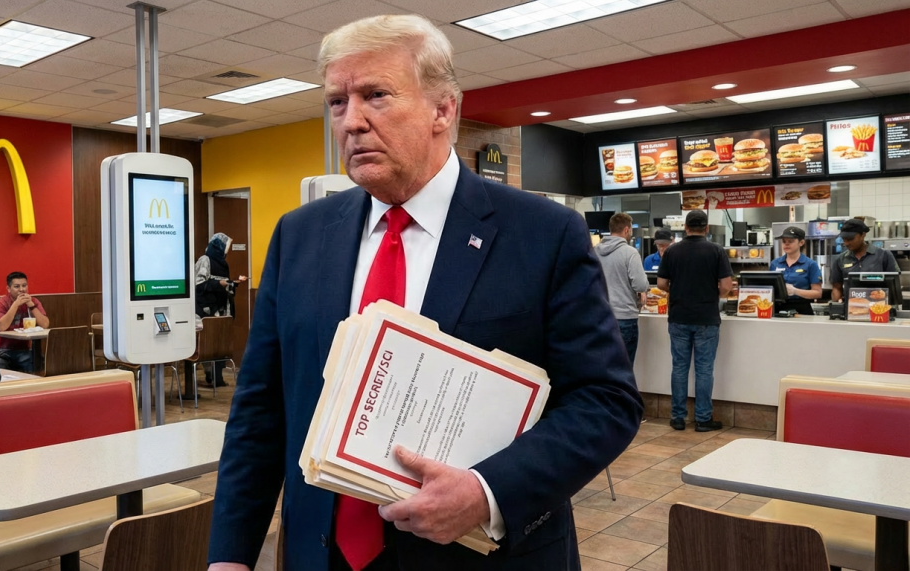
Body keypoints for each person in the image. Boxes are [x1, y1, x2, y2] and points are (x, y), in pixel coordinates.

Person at [208, 15, 642, 571]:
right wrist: (230, 556)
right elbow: (261, 410)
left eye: (376, 96)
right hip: (322, 552)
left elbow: (604, 401)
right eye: (337, 102)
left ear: (444, 110)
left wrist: (486, 490)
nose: (352, 121)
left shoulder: (541, 233)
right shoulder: (300, 235)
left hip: (479, 554)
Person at [657, 210, 732, 432]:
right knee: (704, 370)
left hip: (679, 317)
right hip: (707, 318)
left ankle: (678, 418)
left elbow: (661, 284)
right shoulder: (716, 250)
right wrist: (711, 295)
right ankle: (702, 419)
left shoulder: (672, 251)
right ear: (706, 228)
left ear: (686, 228)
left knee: (679, 368)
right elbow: (727, 286)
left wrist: (678, 290)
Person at [194, 233, 248, 389]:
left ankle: (217, 378)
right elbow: (199, 285)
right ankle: (211, 377)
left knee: (218, 345)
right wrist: (221, 283)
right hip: (206, 310)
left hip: (221, 310)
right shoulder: (205, 260)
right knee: (208, 344)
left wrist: (233, 283)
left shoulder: (223, 263)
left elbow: (224, 284)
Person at [595, 213, 648, 364]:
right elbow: (640, 285)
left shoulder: (594, 251)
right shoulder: (630, 252)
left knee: (604, 366)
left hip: (600, 317)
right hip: (624, 318)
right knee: (624, 368)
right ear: (626, 230)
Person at [0, 271, 49, 373]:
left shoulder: (33, 301)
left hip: (23, 350)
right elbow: (1, 327)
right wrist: (16, 305)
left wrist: (31, 305)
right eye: (17, 286)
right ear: (9, 289)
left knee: (40, 363)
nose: (22, 289)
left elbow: (45, 324)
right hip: (0, 350)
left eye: (24, 286)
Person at [830, 218, 899, 302]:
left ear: (863, 235)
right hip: (853, 309)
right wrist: (836, 306)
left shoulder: (884, 255)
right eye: (844, 239)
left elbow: (894, 285)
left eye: (850, 239)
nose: (846, 243)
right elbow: (837, 287)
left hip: (879, 308)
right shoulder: (840, 259)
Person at [769, 226, 822, 315]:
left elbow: (817, 293)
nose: (786, 244)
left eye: (790, 241)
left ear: (801, 242)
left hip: (801, 309)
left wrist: (795, 291)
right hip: (778, 309)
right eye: (784, 241)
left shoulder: (810, 264)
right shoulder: (775, 263)